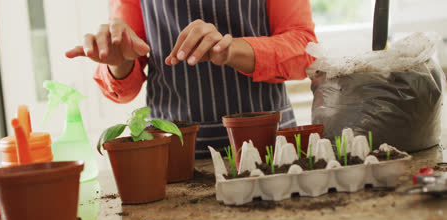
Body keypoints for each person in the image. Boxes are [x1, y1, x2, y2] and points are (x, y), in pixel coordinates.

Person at [66, 0, 317, 158]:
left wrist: (230, 50)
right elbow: (125, 83)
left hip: (272, 152)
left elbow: (304, 49)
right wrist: (119, 61)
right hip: (174, 157)